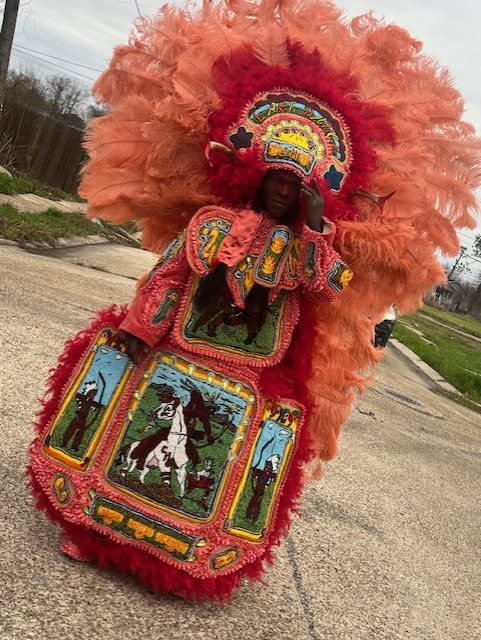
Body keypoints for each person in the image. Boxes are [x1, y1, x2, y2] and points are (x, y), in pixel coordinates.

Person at [28, 0, 481, 601]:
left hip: (247, 377)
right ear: (255, 175)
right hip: (176, 354)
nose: (281, 190)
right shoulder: (214, 225)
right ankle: (96, 533)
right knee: (122, 430)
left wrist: (317, 229)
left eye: (295, 184)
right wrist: (140, 329)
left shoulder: (305, 251)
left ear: (309, 193)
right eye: (275, 178)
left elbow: (335, 289)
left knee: (219, 469)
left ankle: (180, 562)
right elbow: (169, 278)